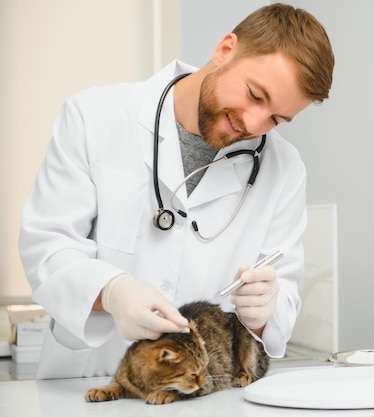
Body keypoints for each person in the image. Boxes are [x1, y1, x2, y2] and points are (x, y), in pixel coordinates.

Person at [18, 3, 334, 379]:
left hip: (200, 389)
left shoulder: (283, 168)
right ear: (225, 49)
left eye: (276, 119)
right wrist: (112, 292)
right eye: (254, 94)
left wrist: (267, 308)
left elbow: (280, 308)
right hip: (89, 380)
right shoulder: (94, 116)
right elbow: (48, 246)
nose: (252, 123)